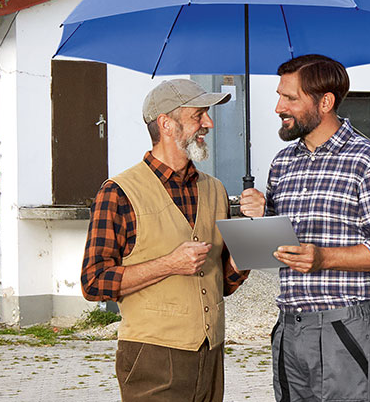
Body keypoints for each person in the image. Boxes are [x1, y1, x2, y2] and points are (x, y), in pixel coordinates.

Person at [239, 54, 370, 402]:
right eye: (279, 96)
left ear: (325, 102)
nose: (278, 107)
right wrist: (263, 214)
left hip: (345, 326)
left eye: (290, 98)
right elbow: (285, 241)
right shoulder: (282, 164)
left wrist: (323, 257)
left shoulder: (369, 161)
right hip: (290, 328)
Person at [80, 78, 249, 402]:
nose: (208, 123)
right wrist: (169, 264)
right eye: (198, 116)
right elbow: (94, 282)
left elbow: (222, 283)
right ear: (166, 124)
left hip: (210, 353)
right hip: (152, 356)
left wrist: (247, 246)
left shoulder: (215, 189)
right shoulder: (118, 192)